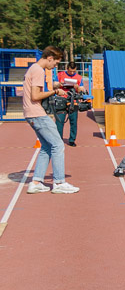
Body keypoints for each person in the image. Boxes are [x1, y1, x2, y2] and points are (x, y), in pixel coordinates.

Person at [23, 46, 80, 194]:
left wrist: (57, 87)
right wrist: (54, 92)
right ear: (50, 58)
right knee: (58, 145)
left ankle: (36, 181)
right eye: (55, 63)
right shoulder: (38, 71)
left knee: (46, 147)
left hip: (31, 113)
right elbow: (35, 96)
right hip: (37, 113)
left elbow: (39, 90)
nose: (54, 66)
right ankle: (59, 182)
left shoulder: (34, 69)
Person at [55, 61, 87, 146]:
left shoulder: (79, 77)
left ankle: (72, 140)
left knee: (73, 121)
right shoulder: (60, 75)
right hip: (61, 100)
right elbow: (54, 85)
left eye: (73, 71)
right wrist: (59, 84)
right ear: (67, 69)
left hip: (73, 101)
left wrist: (77, 88)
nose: (72, 73)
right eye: (70, 71)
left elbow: (82, 89)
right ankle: (58, 140)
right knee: (59, 121)